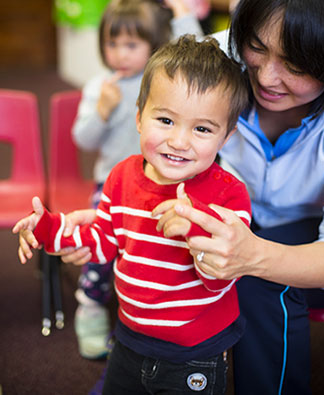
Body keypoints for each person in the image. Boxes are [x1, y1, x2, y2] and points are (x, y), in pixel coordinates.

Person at [25, 0, 324, 393]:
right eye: (257, 46)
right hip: (208, 222)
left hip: (300, 230)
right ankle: (133, 365)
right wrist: (112, 214)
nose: (267, 77)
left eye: (296, 66)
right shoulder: (218, 58)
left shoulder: (238, 184)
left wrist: (248, 254)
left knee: (259, 285)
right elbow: (158, 108)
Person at [13, 34, 251, 394]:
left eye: (202, 128)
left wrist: (195, 229)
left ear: (226, 138)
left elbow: (221, 278)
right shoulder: (122, 176)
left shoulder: (229, 194)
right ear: (139, 118)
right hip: (128, 337)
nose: (180, 141)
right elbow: (102, 241)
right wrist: (47, 228)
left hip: (195, 352)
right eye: (166, 120)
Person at [68, 0, 203, 359]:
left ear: (154, 44)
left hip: (161, 184)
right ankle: (92, 306)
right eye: (112, 44)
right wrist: (102, 110)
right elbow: (83, 139)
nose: (119, 54)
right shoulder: (101, 86)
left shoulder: (162, 83)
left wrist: (182, 13)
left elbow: (199, 48)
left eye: (131, 45)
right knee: (99, 245)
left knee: (161, 249)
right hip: (112, 186)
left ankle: (155, 310)